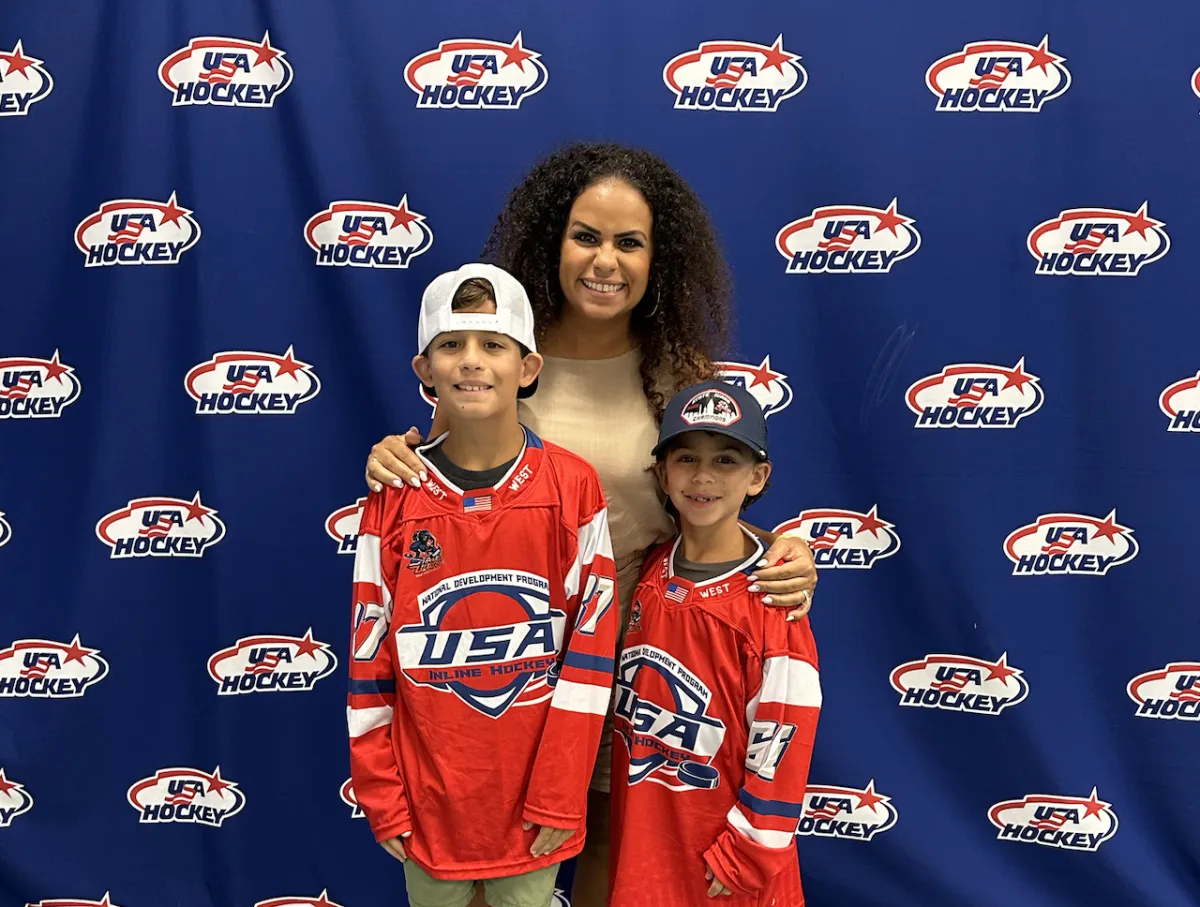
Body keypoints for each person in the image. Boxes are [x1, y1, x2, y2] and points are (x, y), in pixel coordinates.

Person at [364, 143, 818, 903]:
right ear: (555, 243)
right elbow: (440, 476)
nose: (605, 260)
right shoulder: (500, 354)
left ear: (657, 259)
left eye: (629, 242)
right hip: (516, 664)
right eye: (586, 236)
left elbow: (714, 498)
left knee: (619, 843)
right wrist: (390, 456)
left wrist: (786, 552)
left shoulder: (680, 374)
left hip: (648, 660)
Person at [348, 263, 619, 907]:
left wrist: (561, 791)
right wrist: (382, 793)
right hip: (429, 808)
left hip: (533, 808)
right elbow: (368, 659)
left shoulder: (573, 487)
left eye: (493, 344)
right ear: (424, 369)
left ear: (528, 367)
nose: (472, 360)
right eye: (452, 344)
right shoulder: (394, 497)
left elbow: (590, 658)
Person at [609, 380, 820, 906]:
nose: (703, 476)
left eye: (726, 460)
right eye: (687, 458)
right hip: (646, 844)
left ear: (758, 477)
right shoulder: (651, 568)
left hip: (724, 865)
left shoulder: (773, 596)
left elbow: (786, 732)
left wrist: (751, 849)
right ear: (662, 473)